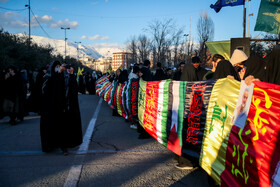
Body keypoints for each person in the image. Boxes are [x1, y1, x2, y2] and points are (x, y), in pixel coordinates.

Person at [40, 61, 82, 155]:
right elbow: (47, 90)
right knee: (53, 128)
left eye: (60, 66)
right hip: (52, 108)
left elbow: (73, 88)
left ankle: (64, 147)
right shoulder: (48, 77)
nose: (59, 68)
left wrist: (71, 75)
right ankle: (52, 145)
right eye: (57, 66)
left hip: (64, 106)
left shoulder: (65, 77)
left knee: (64, 128)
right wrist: (58, 73)